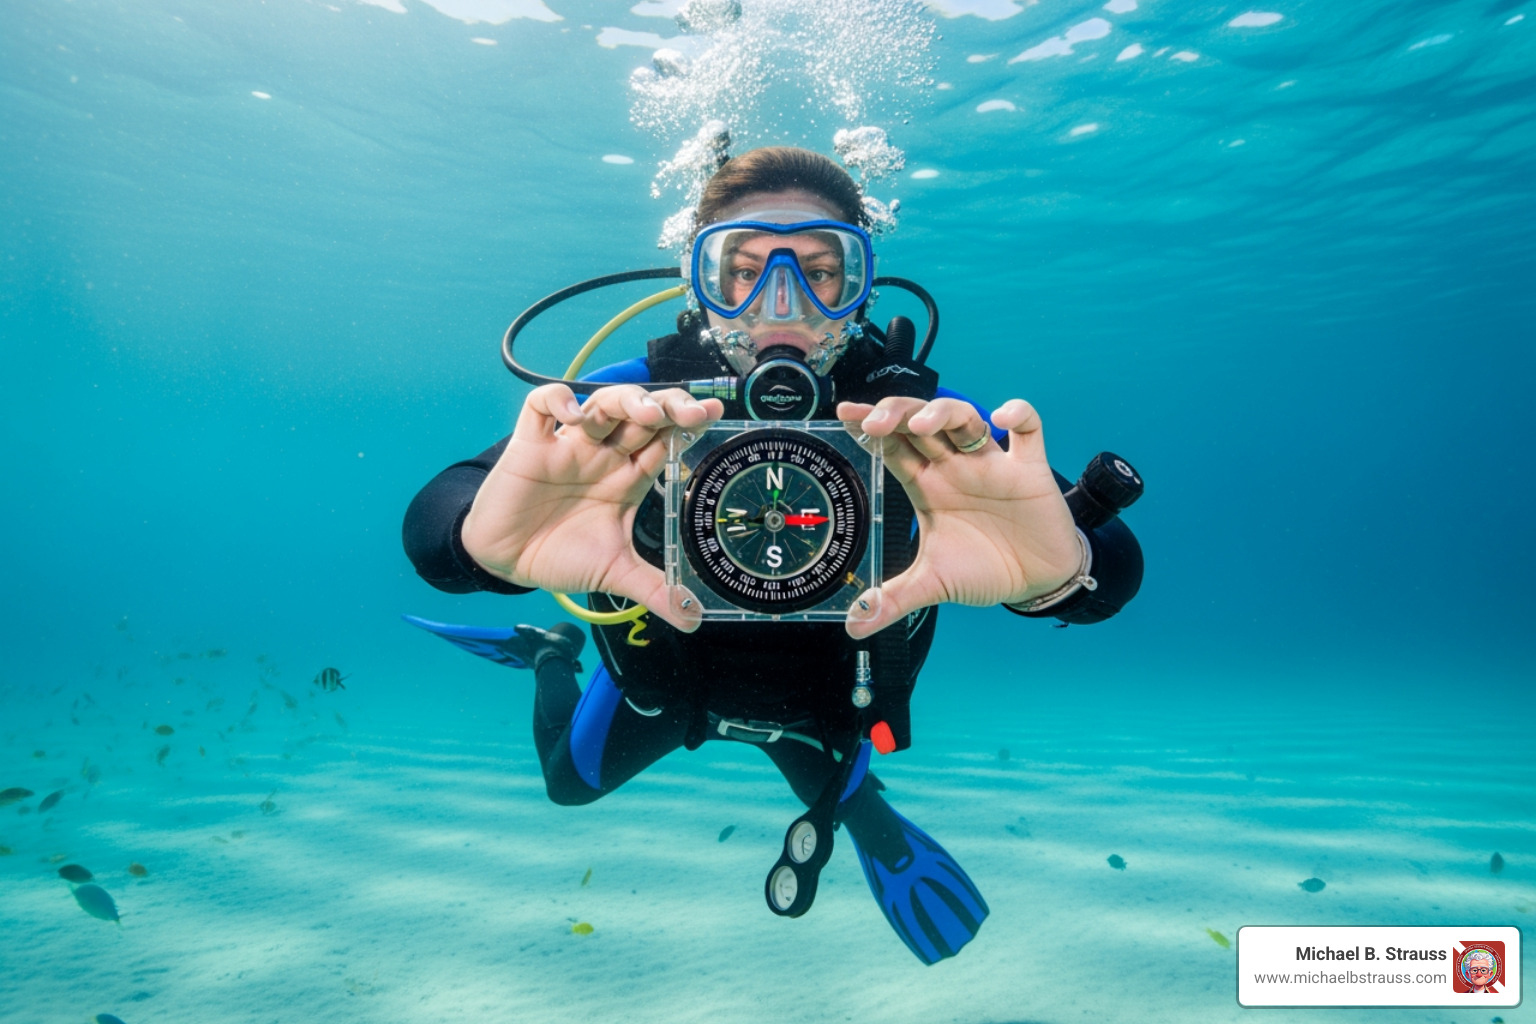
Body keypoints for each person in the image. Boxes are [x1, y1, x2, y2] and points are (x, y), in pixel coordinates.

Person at [402, 146, 1143, 964]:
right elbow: (439, 517)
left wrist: (1058, 570)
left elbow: (1110, 567)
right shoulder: (631, 398)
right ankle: (553, 654)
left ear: (859, 287)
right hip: (661, 685)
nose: (778, 303)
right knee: (565, 784)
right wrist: (482, 543)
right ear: (700, 283)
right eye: (743, 269)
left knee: (821, 748)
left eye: (821, 271)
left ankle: (845, 795)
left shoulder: (917, 418)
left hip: (831, 699)